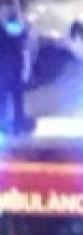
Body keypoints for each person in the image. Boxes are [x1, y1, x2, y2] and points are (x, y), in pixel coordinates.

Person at [0, 0, 28, 135]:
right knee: (4, 98)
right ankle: (12, 124)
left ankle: (18, 123)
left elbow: (21, 31)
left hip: (13, 67)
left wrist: (17, 8)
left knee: (16, 97)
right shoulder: (6, 27)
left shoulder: (10, 25)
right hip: (6, 69)